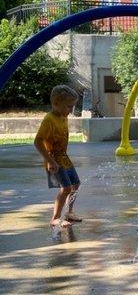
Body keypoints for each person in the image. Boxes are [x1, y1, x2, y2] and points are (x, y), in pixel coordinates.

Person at [34, 85, 82, 228]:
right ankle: (55, 218)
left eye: (72, 106)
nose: (71, 110)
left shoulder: (63, 117)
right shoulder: (49, 119)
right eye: (68, 107)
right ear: (56, 104)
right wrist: (50, 161)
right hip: (54, 159)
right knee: (66, 188)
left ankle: (69, 212)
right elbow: (37, 141)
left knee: (76, 184)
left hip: (64, 157)